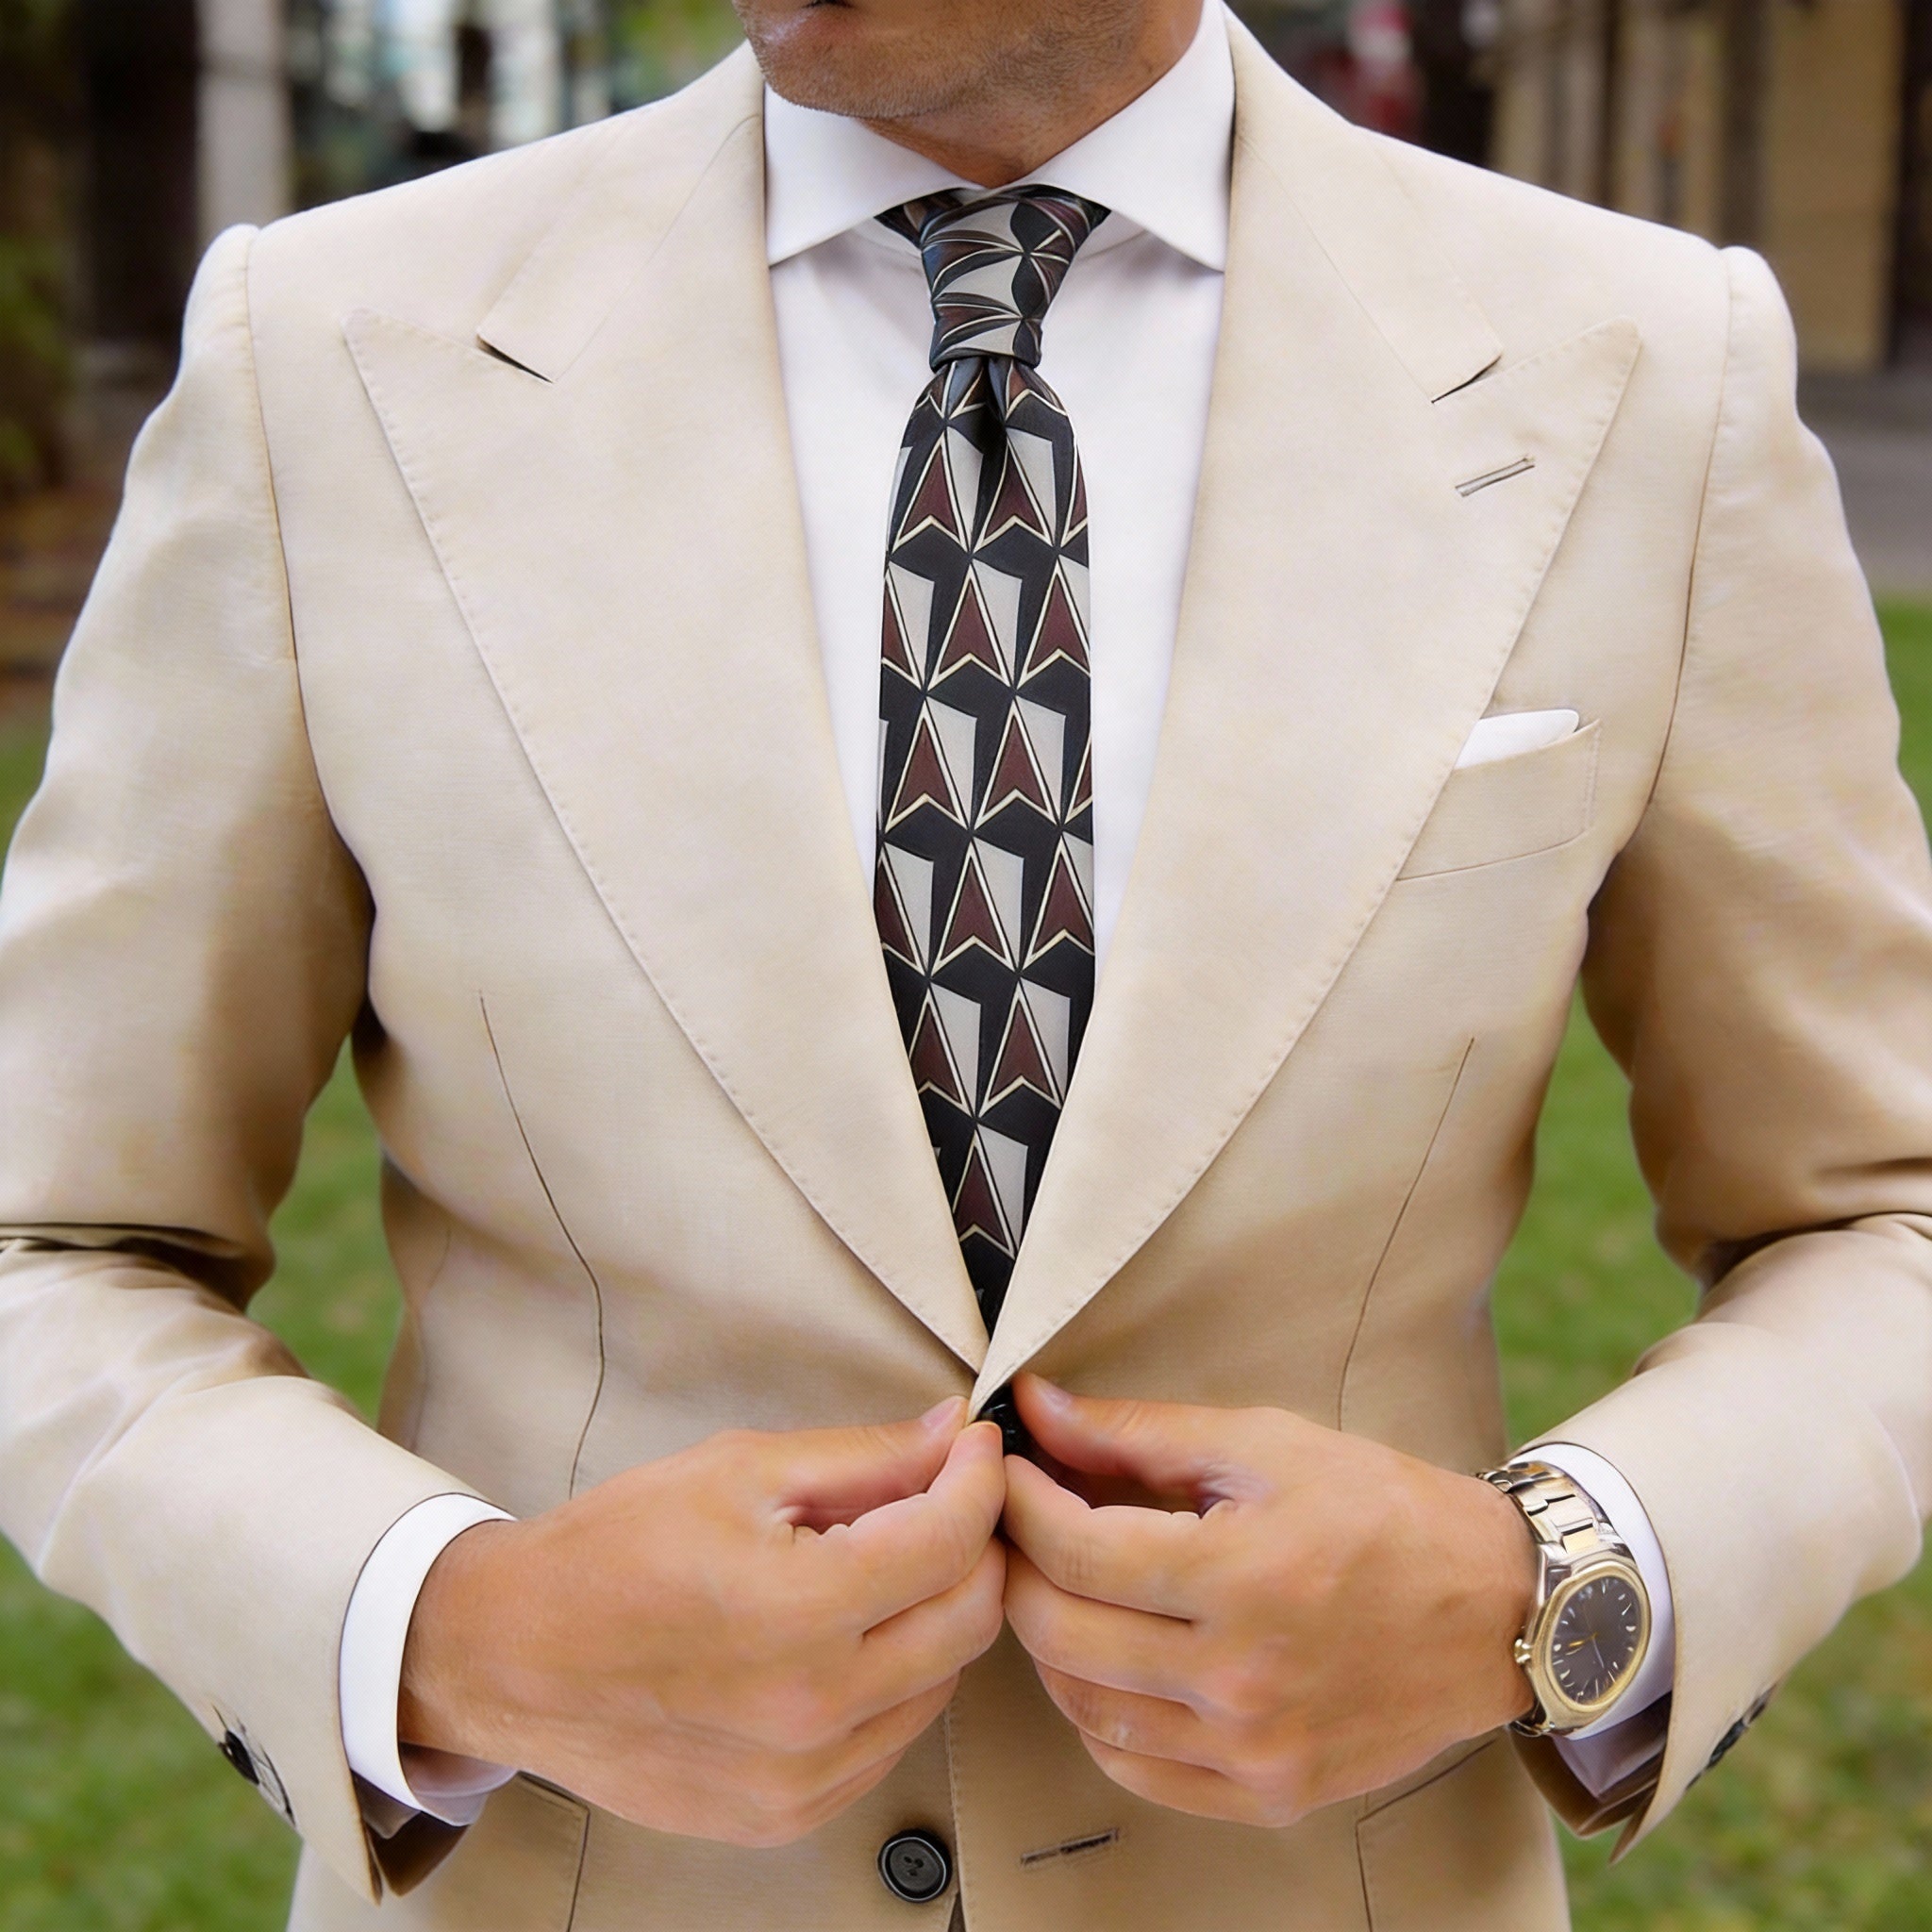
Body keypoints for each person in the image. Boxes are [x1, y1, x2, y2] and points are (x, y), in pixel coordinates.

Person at [2, 0, 1928, 1925]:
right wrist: (452, 1626)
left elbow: (1879, 1213)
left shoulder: (1642, 370)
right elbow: (55, 1234)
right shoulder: (329, 358)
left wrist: (1551, 1589)